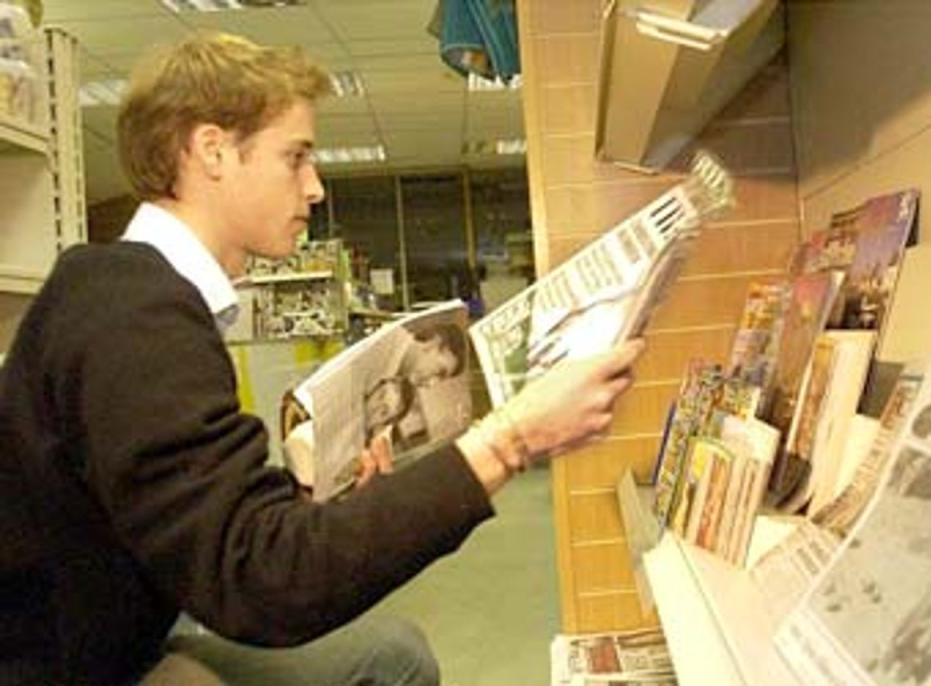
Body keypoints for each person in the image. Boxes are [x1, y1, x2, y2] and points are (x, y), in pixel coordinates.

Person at [0, 32, 643, 686]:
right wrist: (510, 440)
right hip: (71, 666)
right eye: (295, 158)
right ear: (212, 151)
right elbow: (259, 582)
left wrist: (310, 494)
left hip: (125, 630)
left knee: (393, 655)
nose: (314, 187)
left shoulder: (137, 294)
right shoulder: (132, 317)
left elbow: (178, 514)